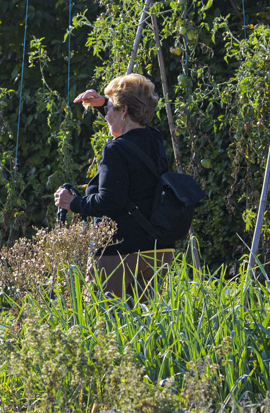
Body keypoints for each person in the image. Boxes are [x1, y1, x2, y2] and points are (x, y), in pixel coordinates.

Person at [52, 73, 177, 294]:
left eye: (110, 107)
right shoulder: (155, 139)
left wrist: (73, 203)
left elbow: (109, 202)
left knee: (105, 321)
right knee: (145, 323)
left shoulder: (114, 150)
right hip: (158, 249)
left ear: (124, 110)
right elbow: (128, 130)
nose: (106, 113)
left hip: (119, 252)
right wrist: (103, 104)